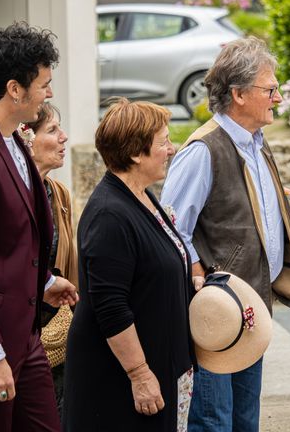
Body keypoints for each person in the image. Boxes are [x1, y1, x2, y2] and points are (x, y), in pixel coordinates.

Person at [161, 36, 290, 432]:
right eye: (270, 89)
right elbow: (172, 231)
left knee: (244, 421)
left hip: (250, 309)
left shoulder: (256, 144)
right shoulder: (202, 150)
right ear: (239, 94)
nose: (277, 97)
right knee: (213, 423)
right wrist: (201, 280)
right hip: (215, 315)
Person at [0, 22, 79, 432]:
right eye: (44, 84)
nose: (49, 93)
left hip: (26, 335)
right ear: (15, 89)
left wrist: (46, 281)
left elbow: (11, 238)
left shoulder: (13, 138)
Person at [63, 98, 195, 432]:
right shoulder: (109, 215)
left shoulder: (141, 195)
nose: (171, 149)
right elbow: (111, 306)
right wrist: (140, 374)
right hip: (120, 383)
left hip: (162, 364)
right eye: (163, 142)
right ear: (136, 153)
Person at [19, 103, 77, 412]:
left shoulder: (60, 195)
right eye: (53, 130)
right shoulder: (10, 193)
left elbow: (70, 264)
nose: (64, 137)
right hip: (17, 336)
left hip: (56, 335)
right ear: (26, 138)